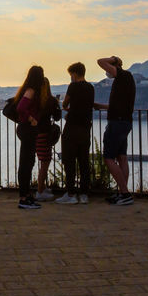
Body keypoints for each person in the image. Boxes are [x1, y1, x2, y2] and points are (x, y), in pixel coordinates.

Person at [93, 55, 135, 205]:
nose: (107, 73)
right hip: (125, 122)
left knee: (109, 157)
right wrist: (101, 106)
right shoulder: (127, 80)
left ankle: (124, 193)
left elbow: (99, 61)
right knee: (121, 157)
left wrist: (112, 58)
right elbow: (119, 105)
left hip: (116, 123)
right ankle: (122, 193)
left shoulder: (122, 76)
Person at [55, 62, 94, 205]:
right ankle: (84, 194)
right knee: (84, 161)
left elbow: (65, 104)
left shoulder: (73, 86)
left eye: (71, 74)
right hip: (85, 128)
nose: (70, 77)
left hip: (72, 128)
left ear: (75, 73)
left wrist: (67, 108)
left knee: (69, 161)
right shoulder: (91, 87)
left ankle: (70, 193)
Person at [12, 66, 49, 209]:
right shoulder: (31, 91)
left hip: (27, 130)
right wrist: (31, 119)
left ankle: (27, 195)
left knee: (28, 162)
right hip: (27, 129)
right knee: (26, 163)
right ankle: (23, 198)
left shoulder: (29, 90)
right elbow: (21, 108)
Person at [34, 80, 62, 201]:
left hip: (34, 134)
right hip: (45, 134)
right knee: (45, 162)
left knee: (42, 161)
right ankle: (40, 191)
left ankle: (42, 187)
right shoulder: (51, 101)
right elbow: (57, 117)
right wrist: (57, 104)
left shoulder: (35, 100)